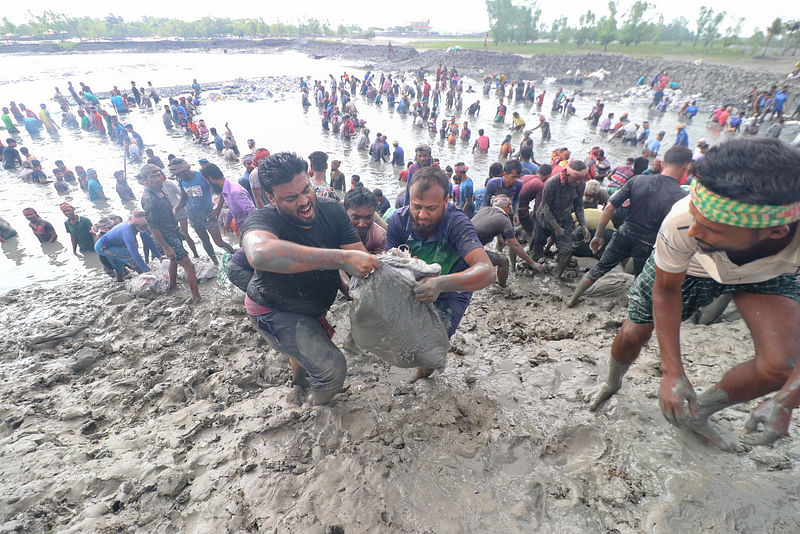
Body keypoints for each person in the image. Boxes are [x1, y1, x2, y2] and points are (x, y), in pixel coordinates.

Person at [590, 138, 800, 450]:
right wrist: (672, 372)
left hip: (768, 272)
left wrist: (787, 398)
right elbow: (666, 290)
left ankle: (698, 412)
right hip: (694, 267)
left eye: (711, 226)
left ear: (776, 231)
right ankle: (611, 382)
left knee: (780, 366)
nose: (694, 232)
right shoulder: (682, 220)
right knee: (635, 332)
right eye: (695, 216)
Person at [241, 152, 380, 405]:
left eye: (306, 189)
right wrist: (340, 259)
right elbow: (259, 254)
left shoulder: (332, 211)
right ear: (271, 198)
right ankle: (315, 409)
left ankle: (299, 382)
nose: (304, 201)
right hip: (272, 309)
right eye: (291, 198)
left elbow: (359, 259)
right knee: (331, 370)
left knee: (306, 348)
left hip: (311, 305)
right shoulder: (262, 220)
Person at [386, 165, 495, 381]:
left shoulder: (457, 223)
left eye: (431, 208)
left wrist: (440, 285)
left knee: (435, 342)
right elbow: (388, 263)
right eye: (416, 206)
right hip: (414, 285)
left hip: (453, 288)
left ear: (447, 201)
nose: (422, 214)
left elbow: (487, 272)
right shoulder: (398, 221)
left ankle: (422, 376)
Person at [567, 146, 693, 307]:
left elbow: (610, 207)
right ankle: (628, 308)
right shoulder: (681, 196)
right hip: (648, 243)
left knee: (599, 268)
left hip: (624, 234)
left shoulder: (638, 180)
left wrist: (598, 235)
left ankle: (572, 300)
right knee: (639, 278)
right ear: (685, 167)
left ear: (663, 164)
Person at [139, 164, 201, 300]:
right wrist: (166, 247)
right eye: (153, 177)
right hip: (165, 237)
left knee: (174, 261)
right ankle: (197, 297)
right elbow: (153, 227)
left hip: (172, 231)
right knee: (188, 266)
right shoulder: (149, 199)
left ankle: (173, 286)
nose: (158, 179)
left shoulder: (160, 191)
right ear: (146, 180)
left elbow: (167, 213)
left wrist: (177, 228)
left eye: (159, 175)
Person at [530, 160, 590, 278]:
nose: (578, 182)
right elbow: (546, 207)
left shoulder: (581, 184)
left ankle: (557, 277)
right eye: (576, 178)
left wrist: (584, 226)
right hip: (544, 219)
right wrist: (556, 228)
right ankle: (534, 271)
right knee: (536, 247)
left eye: (581, 179)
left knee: (567, 250)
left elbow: (579, 206)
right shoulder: (552, 183)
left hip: (564, 218)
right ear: (567, 174)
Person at [169, 158, 235, 264]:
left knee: (219, 242)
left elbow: (222, 189)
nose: (177, 177)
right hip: (193, 217)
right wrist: (175, 209)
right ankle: (215, 263)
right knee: (205, 242)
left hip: (209, 215)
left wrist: (218, 208)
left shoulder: (202, 176)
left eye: (178, 175)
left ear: (185, 171)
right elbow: (184, 198)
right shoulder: (181, 181)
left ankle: (235, 257)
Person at [472, 194, 544, 287]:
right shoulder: (504, 220)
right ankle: (502, 287)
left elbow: (490, 227)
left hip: (461, 242)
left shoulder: (484, 210)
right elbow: (514, 245)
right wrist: (532, 262)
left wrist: (500, 239)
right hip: (470, 249)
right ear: (508, 206)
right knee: (504, 261)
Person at [95, 211, 161, 281]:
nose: (146, 227)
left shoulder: (139, 227)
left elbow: (149, 242)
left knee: (119, 266)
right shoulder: (128, 232)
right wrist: (147, 270)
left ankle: (119, 283)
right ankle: (148, 279)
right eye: (144, 226)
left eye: (146, 225)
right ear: (135, 225)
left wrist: (159, 256)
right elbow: (133, 254)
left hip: (114, 245)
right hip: (104, 247)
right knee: (131, 258)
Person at [201, 163, 255, 227]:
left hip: (250, 227)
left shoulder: (234, 192)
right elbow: (232, 207)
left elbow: (252, 212)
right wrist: (227, 222)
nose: (208, 185)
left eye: (207, 181)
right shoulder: (226, 189)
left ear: (210, 179)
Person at [344, 187, 386, 254]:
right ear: (345, 213)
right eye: (356, 217)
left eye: (368, 218)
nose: (362, 224)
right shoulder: (334, 232)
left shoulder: (379, 237)